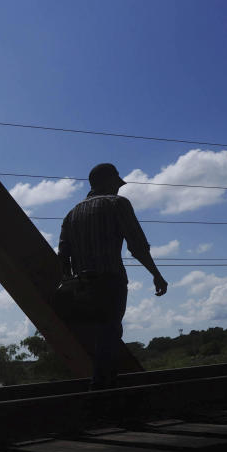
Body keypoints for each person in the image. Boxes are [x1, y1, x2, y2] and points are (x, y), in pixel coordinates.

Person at [57, 162, 168, 389]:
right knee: (110, 332)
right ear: (107, 182)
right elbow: (137, 246)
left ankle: (102, 387)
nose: (119, 188)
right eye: (116, 183)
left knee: (100, 336)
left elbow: (63, 255)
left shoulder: (72, 213)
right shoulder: (117, 204)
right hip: (110, 280)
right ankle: (101, 392)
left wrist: (71, 281)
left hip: (82, 286)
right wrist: (156, 274)